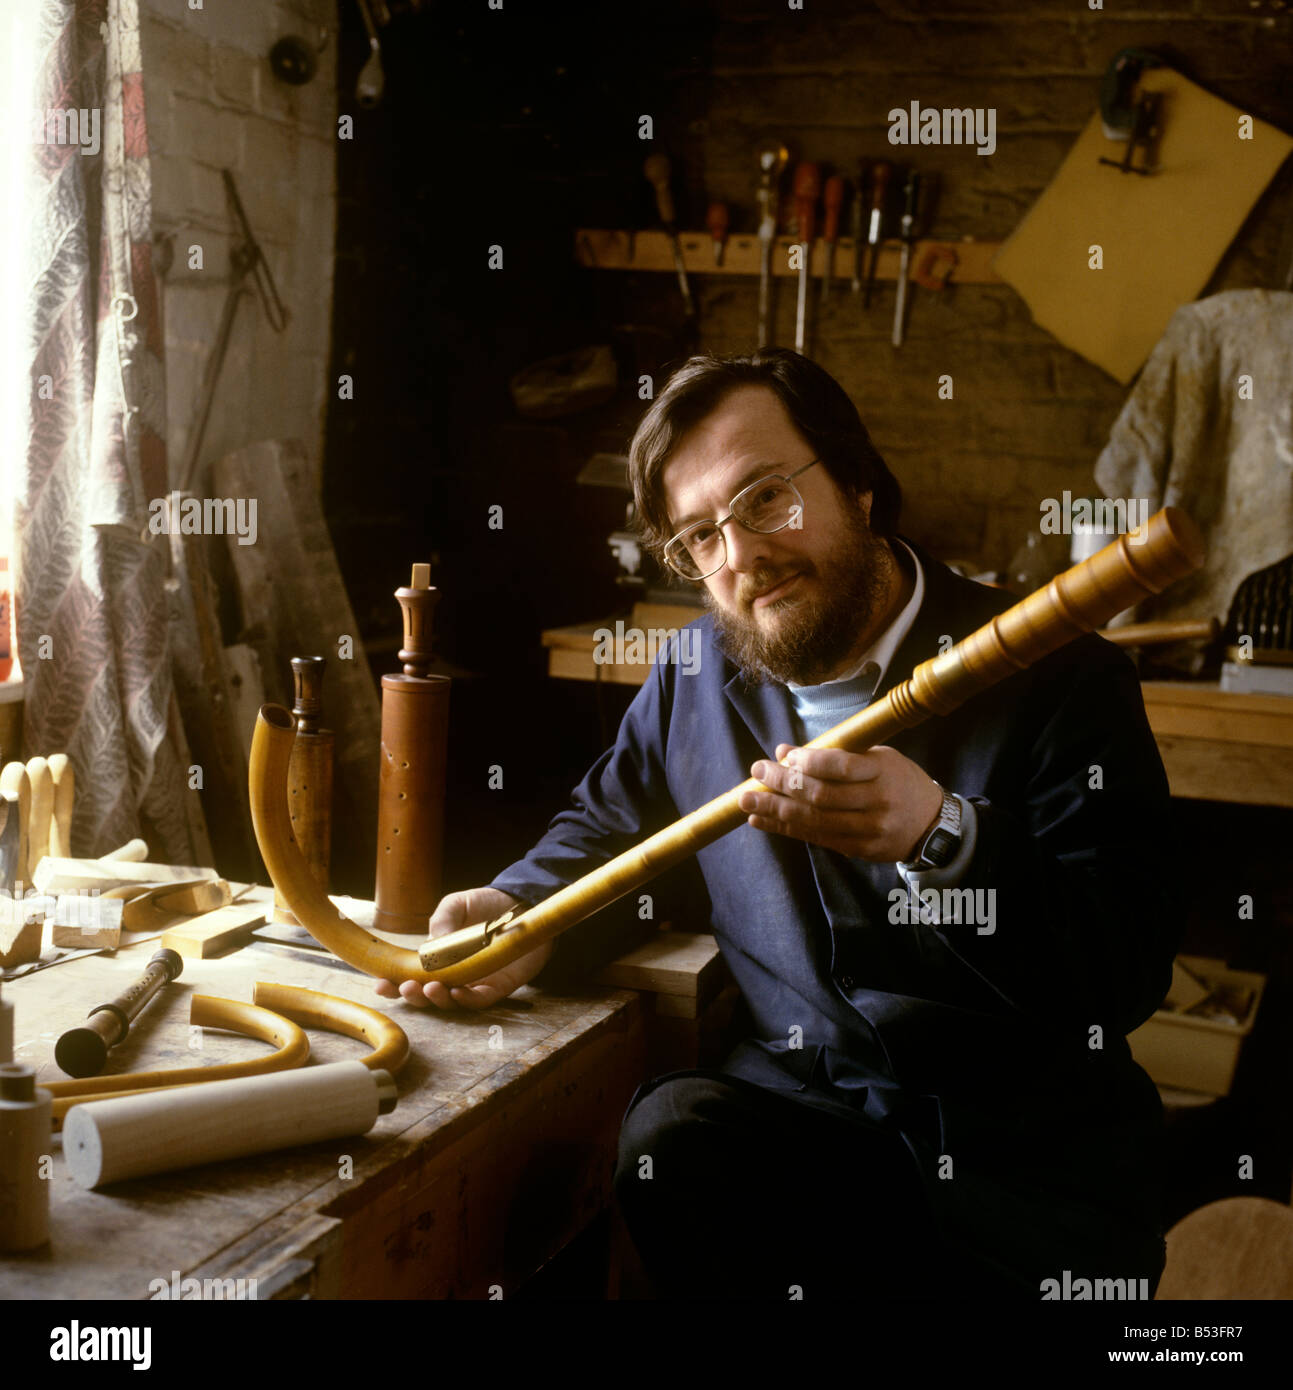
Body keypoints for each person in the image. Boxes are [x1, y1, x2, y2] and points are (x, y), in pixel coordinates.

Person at [377, 348, 1179, 1301]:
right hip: (809, 1122)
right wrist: (523, 917)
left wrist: (945, 837)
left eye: (763, 498)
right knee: (671, 1142)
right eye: (699, 538)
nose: (740, 555)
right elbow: (606, 828)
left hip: (1019, 1174)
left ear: (856, 481)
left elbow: (1121, 973)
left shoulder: (1060, 677)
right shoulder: (694, 674)